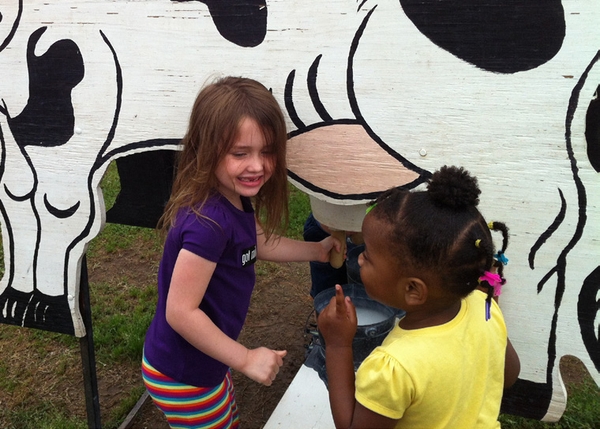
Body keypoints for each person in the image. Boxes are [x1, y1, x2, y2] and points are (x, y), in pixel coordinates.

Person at [142, 76, 340, 429]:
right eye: (240, 153)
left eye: (267, 151)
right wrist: (245, 358)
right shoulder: (208, 224)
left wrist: (318, 250)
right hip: (186, 374)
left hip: (204, 363)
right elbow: (181, 312)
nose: (257, 165)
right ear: (206, 149)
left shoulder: (235, 199)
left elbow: (259, 243)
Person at [318, 165, 520, 429]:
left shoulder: (394, 368)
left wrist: (337, 346)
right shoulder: (486, 310)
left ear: (413, 290)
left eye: (368, 255)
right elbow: (509, 375)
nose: (359, 259)